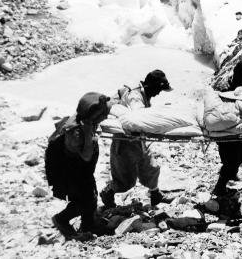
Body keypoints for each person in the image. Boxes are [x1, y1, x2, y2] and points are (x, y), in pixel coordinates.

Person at [100, 70, 172, 208]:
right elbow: (139, 118)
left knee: (151, 166)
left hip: (138, 138)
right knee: (125, 179)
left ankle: (155, 195)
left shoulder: (143, 91)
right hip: (125, 140)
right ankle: (108, 193)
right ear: (151, 86)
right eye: (158, 90)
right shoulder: (135, 97)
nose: (158, 93)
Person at [46, 92, 110, 240]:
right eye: (102, 114)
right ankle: (61, 219)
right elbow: (86, 156)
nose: (105, 117)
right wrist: (88, 135)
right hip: (71, 172)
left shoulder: (86, 121)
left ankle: (88, 224)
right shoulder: (76, 132)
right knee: (83, 201)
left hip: (81, 171)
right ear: (91, 113)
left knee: (91, 196)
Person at [212, 61, 242, 196]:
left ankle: (232, 173)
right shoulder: (226, 93)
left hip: (241, 132)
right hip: (227, 135)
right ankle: (220, 187)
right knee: (231, 161)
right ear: (240, 77)